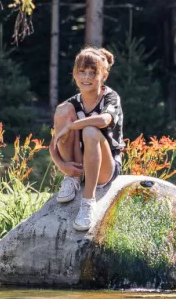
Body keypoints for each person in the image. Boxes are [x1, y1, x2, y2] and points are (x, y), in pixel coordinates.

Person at [50, 47, 125, 232]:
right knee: (62, 111)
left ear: (104, 76)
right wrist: (61, 165)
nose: (87, 77)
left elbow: (104, 120)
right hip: (79, 163)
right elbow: (53, 144)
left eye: (93, 73)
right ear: (75, 74)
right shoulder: (72, 103)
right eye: (82, 72)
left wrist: (73, 125)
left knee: (91, 130)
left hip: (105, 168)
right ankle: (72, 177)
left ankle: (88, 201)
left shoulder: (110, 97)